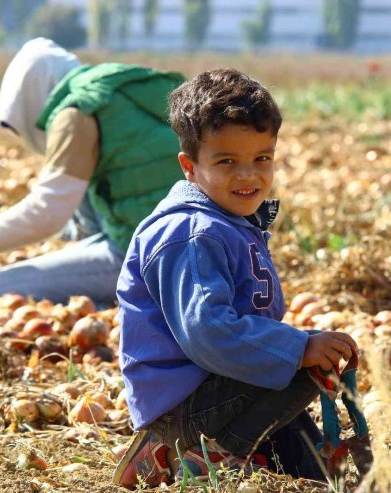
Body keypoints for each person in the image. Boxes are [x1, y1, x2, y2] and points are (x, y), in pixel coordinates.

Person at [113, 68, 359, 488]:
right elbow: (208, 332)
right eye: (227, 161)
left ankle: (213, 451)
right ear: (190, 166)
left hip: (220, 390)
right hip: (184, 406)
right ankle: (196, 455)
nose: (248, 175)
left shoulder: (229, 221)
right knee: (300, 366)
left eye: (261, 159)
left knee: (317, 478)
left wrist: (300, 346)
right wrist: (299, 347)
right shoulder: (192, 233)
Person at [0, 38, 184, 307]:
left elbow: (47, 213)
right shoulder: (116, 89)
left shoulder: (77, 113)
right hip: (193, 240)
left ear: (30, 97)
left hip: (150, 256)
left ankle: (116, 305)